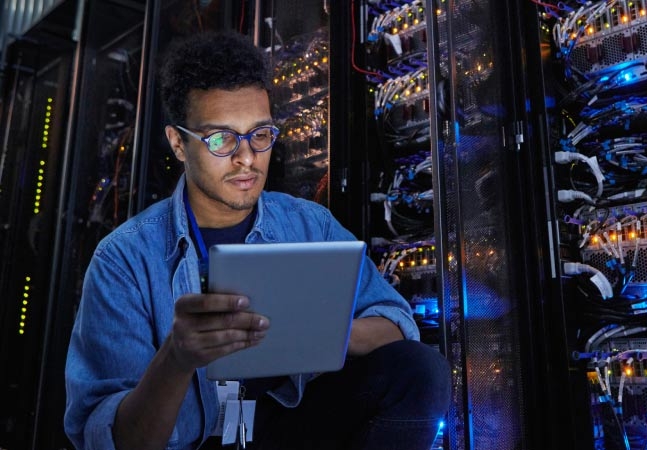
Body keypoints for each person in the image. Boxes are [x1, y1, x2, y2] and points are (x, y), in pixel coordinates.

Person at [64, 30, 451, 450]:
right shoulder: (124, 259)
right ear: (178, 143)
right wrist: (176, 358)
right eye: (221, 139)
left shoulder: (309, 226)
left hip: (284, 428)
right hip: (200, 442)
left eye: (260, 134)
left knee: (419, 370)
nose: (246, 157)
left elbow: (396, 326)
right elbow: (116, 441)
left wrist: (315, 331)